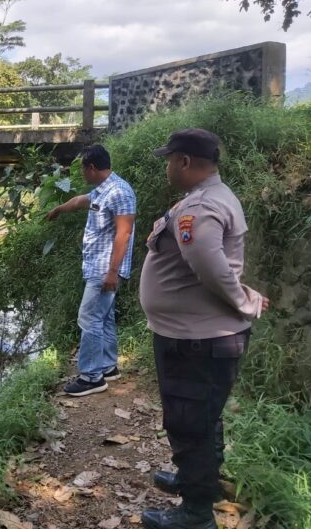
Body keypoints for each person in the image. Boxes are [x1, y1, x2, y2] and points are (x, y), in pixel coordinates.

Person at [139, 128, 269, 529]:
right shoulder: (204, 200)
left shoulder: (203, 207)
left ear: (184, 162)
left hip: (196, 340)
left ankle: (195, 514)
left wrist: (245, 300)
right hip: (193, 336)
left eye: (169, 159)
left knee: (188, 420)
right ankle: (198, 481)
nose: (167, 167)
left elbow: (211, 267)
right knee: (201, 415)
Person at [47, 144, 136, 396]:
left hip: (105, 269)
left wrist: (112, 272)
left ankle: (91, 377)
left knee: (88, 319)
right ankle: (108, 367)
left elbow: (124, 232)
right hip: (98, 267)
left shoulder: (119, 192)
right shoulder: (102, 190)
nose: (82, 175)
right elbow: (79, 201)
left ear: (92, 168)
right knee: (103, 318)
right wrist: (58, 209)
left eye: (83, 170)